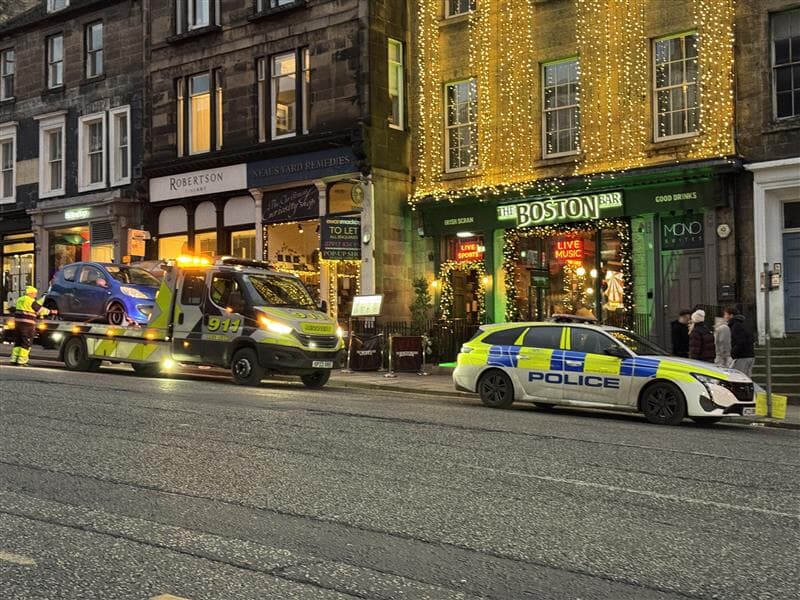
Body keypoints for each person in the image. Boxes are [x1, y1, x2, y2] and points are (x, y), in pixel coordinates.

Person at [9, 286, 51, 366]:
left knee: (18, 342)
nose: (35, 295)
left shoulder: (20, 299)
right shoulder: (30, 301)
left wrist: (44, 297)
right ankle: (22, 361)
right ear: (30, 293)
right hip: (27, 325)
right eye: (35, 293)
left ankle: (14, 359)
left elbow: (35, 305)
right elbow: (40, 310)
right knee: (26, 343)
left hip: (18, 324)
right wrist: (51, 311)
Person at [725, 306, 755, 376]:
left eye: (726, 314)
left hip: (742, 356)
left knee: (740, 377)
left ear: (731, 315)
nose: (724, 316)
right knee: (746, 376)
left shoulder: (736, 326)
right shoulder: (742, 324)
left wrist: (733, 353)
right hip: (748, 355)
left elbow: (740, 342)